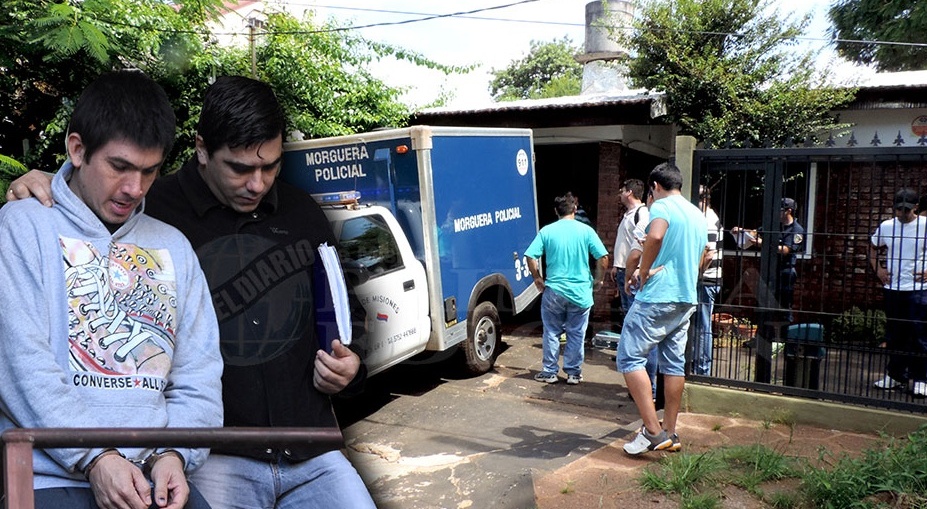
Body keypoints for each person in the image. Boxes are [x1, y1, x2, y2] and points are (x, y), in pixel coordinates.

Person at [8, 76, 375, 508]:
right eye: (239, 168)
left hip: (301, 449)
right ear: (201, 149)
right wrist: (46, 185)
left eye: (270, 166)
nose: (257, 184)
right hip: (214, 461)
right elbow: (22, 358)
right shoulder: (152, 210)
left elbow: (343, 311)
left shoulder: (296, 212)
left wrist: (352, 368)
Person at [0, 71, 222, 509]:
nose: (134, 189)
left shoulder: (173, 246)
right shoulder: (22, 227)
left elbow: (198, 373)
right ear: (77, 149)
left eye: (149, 171)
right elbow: (22, 365)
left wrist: (175, 454)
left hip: (155, 477)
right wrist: (96, 456)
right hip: (49, 478)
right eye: (119, 167)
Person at [616, 162, 707, 455]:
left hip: (658, 297)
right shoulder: (696, 213)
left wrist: (643, 272)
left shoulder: (662, 208)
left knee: (630, 357)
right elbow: (705, 254)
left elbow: (654, 236)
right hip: (686, 297)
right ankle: (670, 431)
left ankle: (652, 432)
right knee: (673, 363)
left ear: (655, 187)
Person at [526, 193, 609, 385]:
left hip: (554, 290)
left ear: (556, 211)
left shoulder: (547, 231)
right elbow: (603, 258)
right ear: (574, 209)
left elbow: (531, 256)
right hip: (580, 292)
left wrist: (537, 278)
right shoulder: (586, 231)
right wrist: (599, 279)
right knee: (576, 333)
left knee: (552, 332)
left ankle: (549, 372)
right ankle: (573, 373)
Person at [869, 188, 927, 397]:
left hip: (918, 289)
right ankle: (895, 375)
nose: (902, 213)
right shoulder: (886, 226)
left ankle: (921, 378)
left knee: (920, 334)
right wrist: (879, 270)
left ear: (916, 208)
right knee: (895, 334)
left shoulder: (925, 226)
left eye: (907, 210)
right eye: (899, 209)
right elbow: (873, 247)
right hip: (893, 288)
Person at [732, 197, 805, 347]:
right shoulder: (774, 225)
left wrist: (763, 243)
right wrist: (742, 231)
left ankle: (786, 341)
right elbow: (755, 233)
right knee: (764, 305)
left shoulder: (797, 230)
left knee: (784, 307)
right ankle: (762, 339)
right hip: (770, 271)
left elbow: (785, 250)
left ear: (789, 211)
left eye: (780, 210)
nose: (777, 213)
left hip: (785, 272)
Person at [610, 180, 658, 400]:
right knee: (631, 325)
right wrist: (617, 267)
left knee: (639, 329)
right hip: (624, 272)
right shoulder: (629, 214)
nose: (619, 194)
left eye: (622, 190)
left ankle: (647, 386)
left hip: (634, 274)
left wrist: (632, 273)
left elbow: (641, 247)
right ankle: (640, 383)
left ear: (629, 192)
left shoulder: (643, 214)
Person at [691, 185, 724, 375]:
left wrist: (695, 274)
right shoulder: (707, 218)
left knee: (703, 326)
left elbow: (709, 253)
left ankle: (702, 370)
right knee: (699, 325)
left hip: (707, 279)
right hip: (706, 279)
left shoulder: (708, 220)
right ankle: (698, 366)